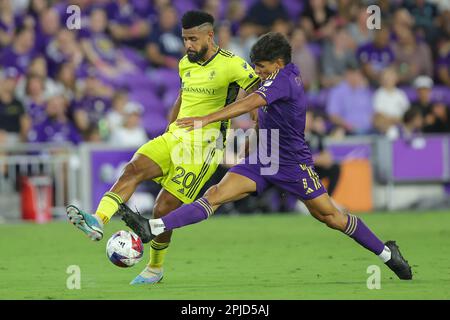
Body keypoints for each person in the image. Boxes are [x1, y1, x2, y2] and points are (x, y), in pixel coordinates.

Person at [119, 32, 413, 282]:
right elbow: (262, 113)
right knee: (216, 194)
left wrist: (206, 117)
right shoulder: (276, 77)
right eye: (255, 66)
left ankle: (387, 253)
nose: (256, 72)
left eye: (260, 67)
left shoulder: (285, 80)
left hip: (292, 163)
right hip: (264, 155)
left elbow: (252, 101)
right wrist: (252, 142)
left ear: (278, 63)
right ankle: (152, 226)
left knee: (331, 217)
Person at [66, 11, 260, 285]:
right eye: (184, 39)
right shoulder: (185, 64)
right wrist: (170, 129)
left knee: (163, 208)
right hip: (175, 136)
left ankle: (155, 268)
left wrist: (256, 118)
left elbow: (260, 90)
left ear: (210, 35)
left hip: (205, 147)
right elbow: (182, 96)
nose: (188, 45)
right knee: (133, 169)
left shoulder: (233, 65)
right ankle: (98, 220)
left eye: (193, 39)